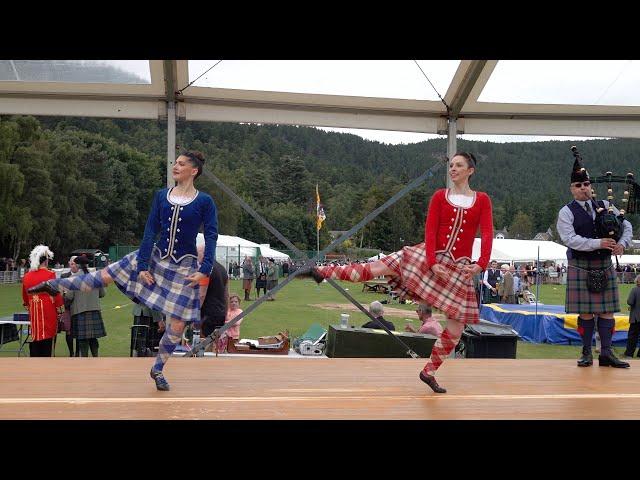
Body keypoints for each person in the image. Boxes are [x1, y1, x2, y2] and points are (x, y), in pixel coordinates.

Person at [301, 152, 493, 393]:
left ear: (470, 170)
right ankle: (322, 271)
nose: (453, 169)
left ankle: (429, 371)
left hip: (460, 267)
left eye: (459, 165)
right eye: (451, 165)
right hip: (430, 257)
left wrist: (481, 263)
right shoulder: (439, 197)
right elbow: (430, 230)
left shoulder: (482, 199)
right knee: (381, 266)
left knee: (456, 328)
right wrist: (432, 262)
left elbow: (486, 233)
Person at [27, 150, 219, 390]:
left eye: (181, 164)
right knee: (105, 275)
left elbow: (211, 236)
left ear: (194, 170)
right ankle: (53, 285)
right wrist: (142, 265)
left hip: (185, 267)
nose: (175, 166)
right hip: (155, 258)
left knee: (178, 324)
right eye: (175, 163)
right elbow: (150, 231)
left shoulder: (204, 201)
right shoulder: (161, 196)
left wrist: (205, 268)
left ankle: (157, 369)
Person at [556, 152, 633, 369]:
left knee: (607, 311)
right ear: (572, 188)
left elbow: (625, 225)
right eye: (578, 185)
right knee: (586, 312)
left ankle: (606, 353)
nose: (583, 188)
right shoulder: (566, 212)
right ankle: (586, 352)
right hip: (581, 265)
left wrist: (622, 244)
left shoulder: (604, 205)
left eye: (586, 184)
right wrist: (599, 243)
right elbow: (570, 240)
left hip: (604, 263)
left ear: (591, 186)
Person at [21, 245, 64, 357]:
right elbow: (57, 296)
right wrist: (60, 310)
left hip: (34, 317)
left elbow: (25, 300)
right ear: (45, 260)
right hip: (49, 315)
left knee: (36, 343)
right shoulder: (50, 274)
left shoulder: (26, 277)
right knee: (48, 347)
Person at [64, 255, 106, 357]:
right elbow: (102, 293)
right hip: (94, 310)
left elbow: (69, 296)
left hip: (80, 311)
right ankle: (95, 356)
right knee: (93, 338)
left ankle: (84, 359)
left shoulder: (73, 278)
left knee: (83, 339)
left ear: (77, 265)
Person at [198, 243, 229, 349]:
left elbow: (201, 295)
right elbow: (226, 294)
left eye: (198, 254)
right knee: (217, 346)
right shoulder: (222, 269)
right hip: (220, 313)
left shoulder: (205, 270)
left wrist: (194, 313)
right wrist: (225, 311)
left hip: (206, 314)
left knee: (204, 346)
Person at [59, 256, 78, 356]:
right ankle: (71, 353)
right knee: (68, 331)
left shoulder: (82, 276)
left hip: (79, 307)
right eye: (72, 263)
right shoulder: (64, 276)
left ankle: (78, 352)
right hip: (67, 307)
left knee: (79, 331)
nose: (73, 266)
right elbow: (60, 292)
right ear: (69, 264)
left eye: (75, 263)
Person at [623, 274, 640, 358]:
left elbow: (630, 302)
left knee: (632, 337)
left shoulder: (634, 290)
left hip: (636, 318)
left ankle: (629, 353)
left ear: (637, 281)